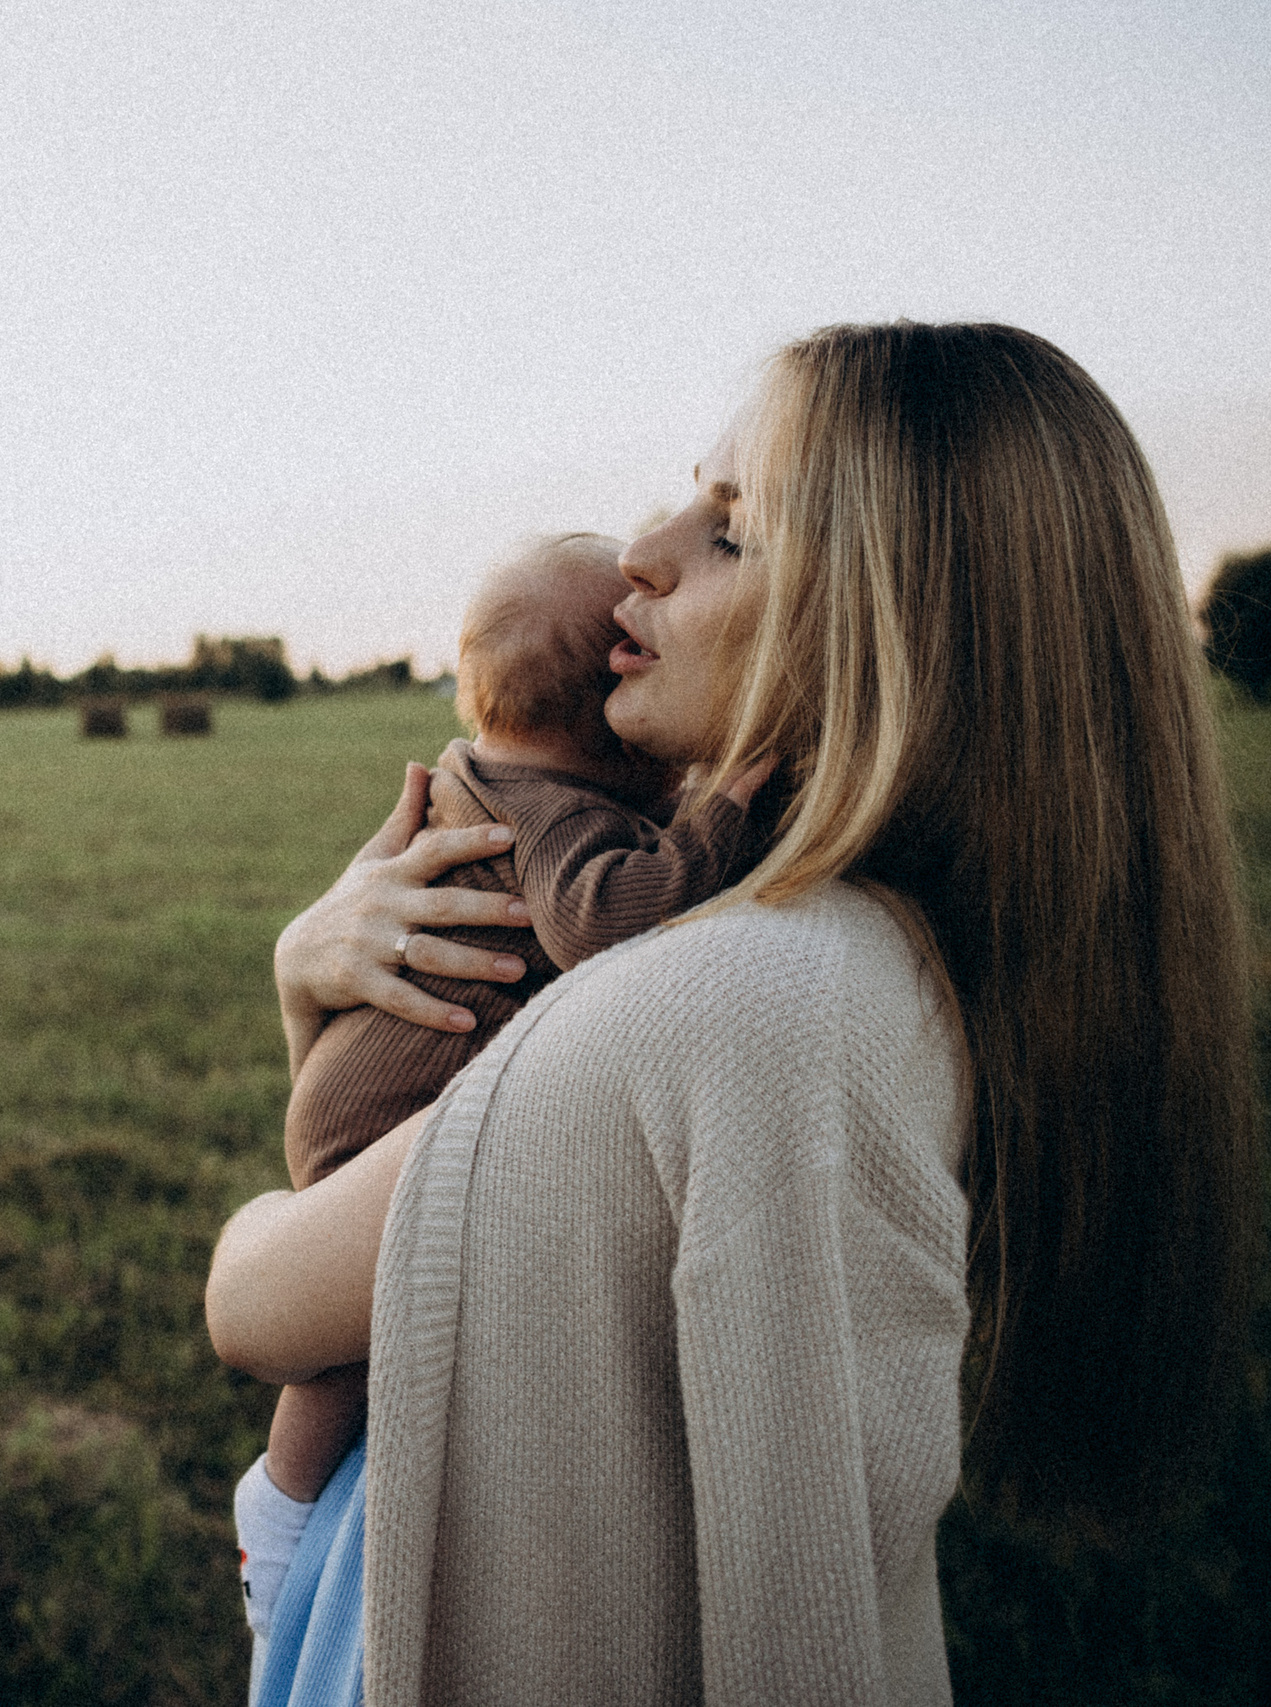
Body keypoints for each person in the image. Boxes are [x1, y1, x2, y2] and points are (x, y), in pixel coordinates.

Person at [207, 321, 1258, 1705]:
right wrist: (317, 987)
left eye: (734, 528)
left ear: (897, 624)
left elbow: (256, 1298)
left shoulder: (705, 1006)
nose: (641, 551)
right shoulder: (868, 956)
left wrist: (306, 1025)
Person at [234, 533, 774, 1654]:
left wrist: (299, 980)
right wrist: (725, 810)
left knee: (357, 1342)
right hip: (388, 1116)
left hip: (364, 1087)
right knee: (349, 1349)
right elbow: (606, 918)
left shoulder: (490, 775)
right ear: (606, 718)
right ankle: (281, 1499)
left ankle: (282, 1501)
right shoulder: (559, 815)